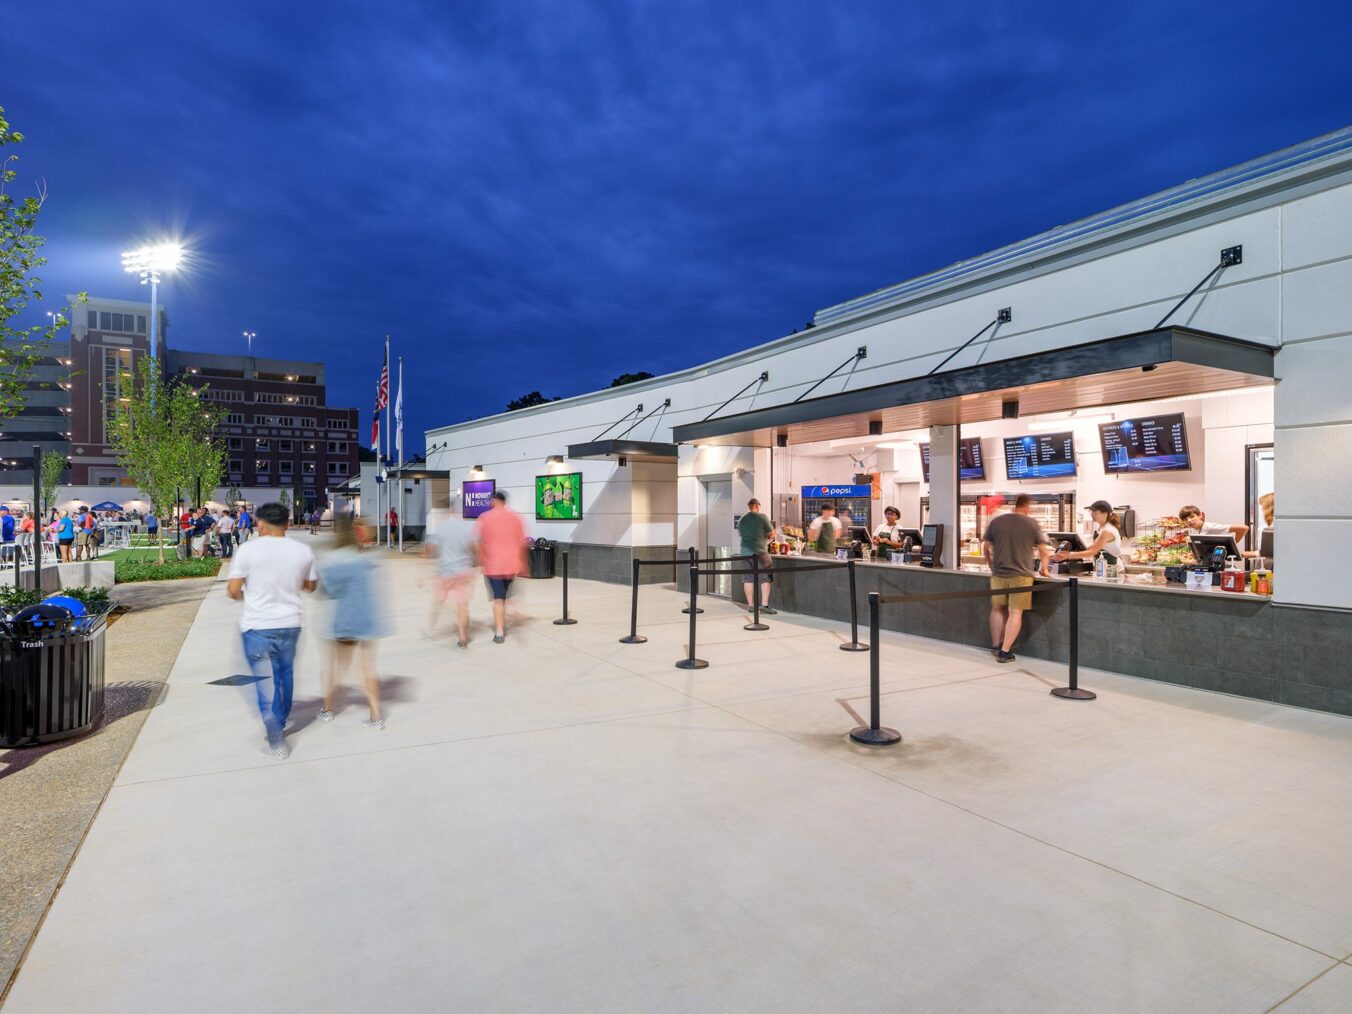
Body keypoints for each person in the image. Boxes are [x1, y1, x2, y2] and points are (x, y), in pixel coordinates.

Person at [226, 501, 318, 759]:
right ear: (287, 523)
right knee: (285, 674)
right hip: (290, 623)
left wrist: (246, 595)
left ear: (261, 524)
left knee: (263, 680)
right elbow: (311, 586)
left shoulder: (247, 550)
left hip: (257, 625)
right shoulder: (302, 550)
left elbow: (233, 591)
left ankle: (275, 734)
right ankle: (281, 717)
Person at [316, 517, 388, 729]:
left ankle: (327, 709)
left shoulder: (335, 559)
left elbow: (326, 591)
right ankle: (376, 715)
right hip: (367, 619)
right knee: (367, 668)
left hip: (344, 620)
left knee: (335, 667)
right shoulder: (367, 559)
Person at [982, 494, 1052, 663]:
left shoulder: (997, 521)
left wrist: (991, 564)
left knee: (997, 609)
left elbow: (985, 547)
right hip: (1021, 575)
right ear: (1027, 506)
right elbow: (1044, 551)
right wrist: (1044, 568)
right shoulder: (1031, 523)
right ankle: (1005, 652)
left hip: (998, 573)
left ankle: (996, 644)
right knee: (1015, 612)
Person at [474, 490, 526, 644]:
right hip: (511, 566)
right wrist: (522, 564)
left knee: (499, 599)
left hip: (493, 566)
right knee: (505, 596)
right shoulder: (515, 518)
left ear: (494, 501)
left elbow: (477, 543)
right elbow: (521, 543)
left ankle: (499, 632)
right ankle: (511, 617)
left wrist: (480, 559)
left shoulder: (485, 518)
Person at [425, 511, 477, 647]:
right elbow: (474, 547)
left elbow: (431, 548)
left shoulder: (441, 527)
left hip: (445, 572)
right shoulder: (467, 528)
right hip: (463, 572)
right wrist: (476, 564)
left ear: (449, 513)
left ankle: (431, 630)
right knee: (463, 605)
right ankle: (463, 637)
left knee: (438, 602)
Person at [736, 497, 777, 614]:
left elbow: (742, 534)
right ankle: (764, 605)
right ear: (757, 506)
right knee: (765, 578)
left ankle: (751, 606)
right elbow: (772, 533)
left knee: (748, 579)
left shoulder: (742, 519)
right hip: (760, 552)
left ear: (749, 506)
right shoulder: (762, 517)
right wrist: (767, 538)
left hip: (745, 553)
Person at [1054, 499, 1124, 568]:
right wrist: (1079, 551)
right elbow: (1094, 546)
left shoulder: (1107, 531)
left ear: (1105, 514)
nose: (1092, 515)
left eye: (1095, 513)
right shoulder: (1101, 528)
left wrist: (1068, 555)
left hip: (1113, 570)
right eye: (1091, 512)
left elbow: (1093, 551)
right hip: (1104, 568)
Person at [1178, 505, 1247, 544]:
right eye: (1185, 520)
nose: (1189, 521)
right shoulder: (1199, 529)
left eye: (1192, 517)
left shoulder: (1209, 527)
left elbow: (1243, 528)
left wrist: (1232, 546)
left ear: (1200, 515)